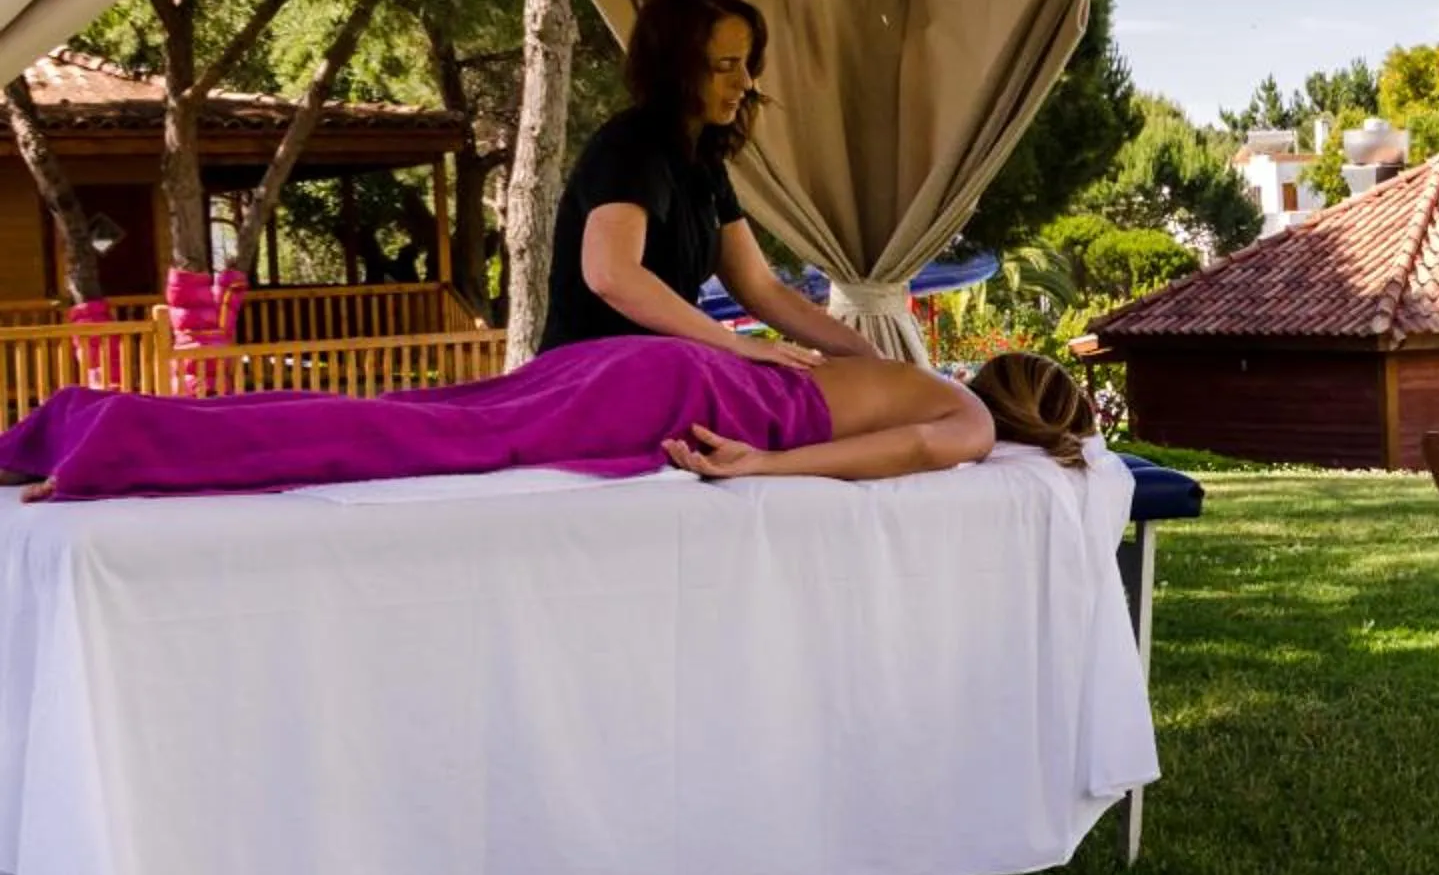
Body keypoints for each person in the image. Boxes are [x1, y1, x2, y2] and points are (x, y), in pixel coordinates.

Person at [1, 341, 1094, 503]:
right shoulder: (957, 415)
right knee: (403, 439)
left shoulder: (915, 370)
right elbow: (907, 451)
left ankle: (78, 420)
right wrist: (764, 465)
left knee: (400, 412)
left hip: (648, 366)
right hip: (680, 395)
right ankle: (118, 448)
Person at [540, 0, 872, 367]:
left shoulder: (701, 163)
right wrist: (738, 345)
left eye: (747, 64)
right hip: (594, 379)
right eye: (725, 65)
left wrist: (872, 355)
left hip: (659, 372)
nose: (745, 83)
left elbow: (761, 289)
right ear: (675, 68)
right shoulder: (631, 146)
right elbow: (611, 274)